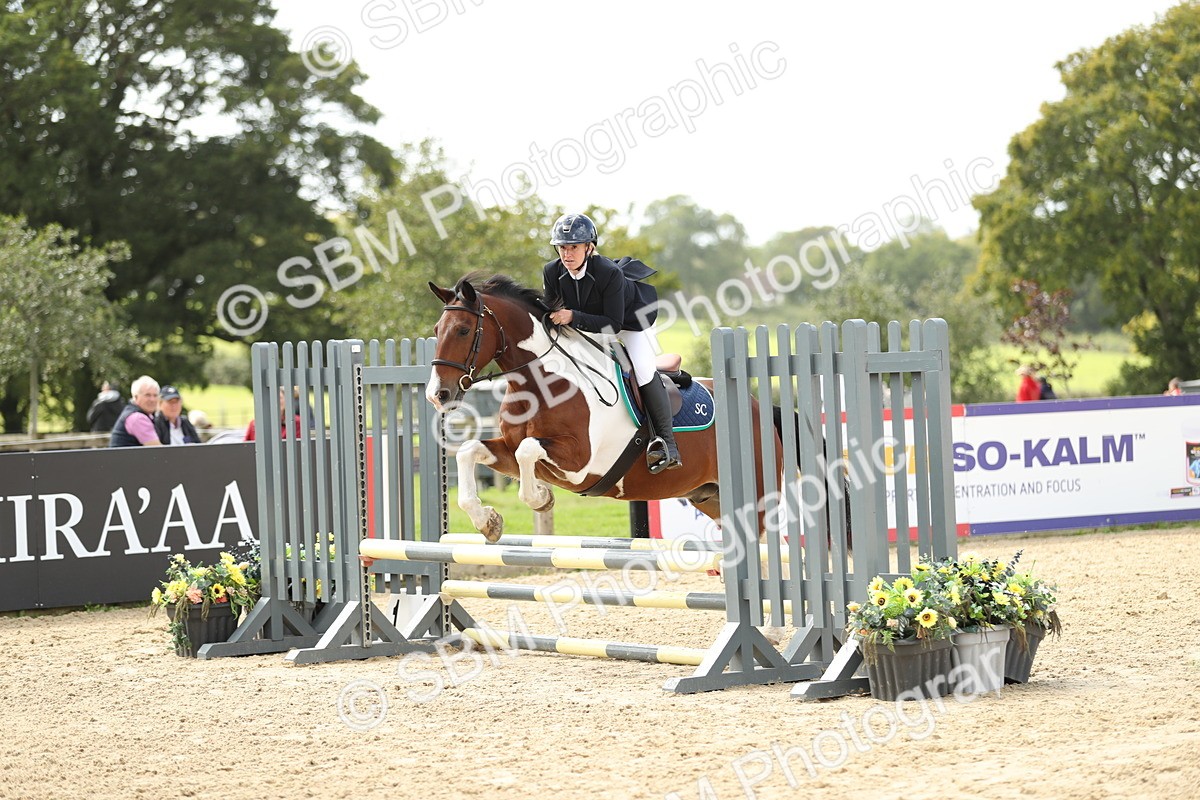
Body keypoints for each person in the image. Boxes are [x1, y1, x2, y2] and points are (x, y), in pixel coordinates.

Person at [542, 212, 681, 473]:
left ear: (589, 247)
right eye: (562, 248)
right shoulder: (552, 271)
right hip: (589, 323)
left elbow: (613, 325)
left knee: (642, 370)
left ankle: (667, 443)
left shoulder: (608, 272)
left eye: (574, 247)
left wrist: (572, 316)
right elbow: (550, 310)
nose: (567, 254)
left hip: (629, 323)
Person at [109, 376, 163, 447]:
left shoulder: (135, 412)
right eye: (147, 395)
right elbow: (157, 450)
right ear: (136, 397)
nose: (152, 399)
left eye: (155, 395)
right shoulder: (138, 418)